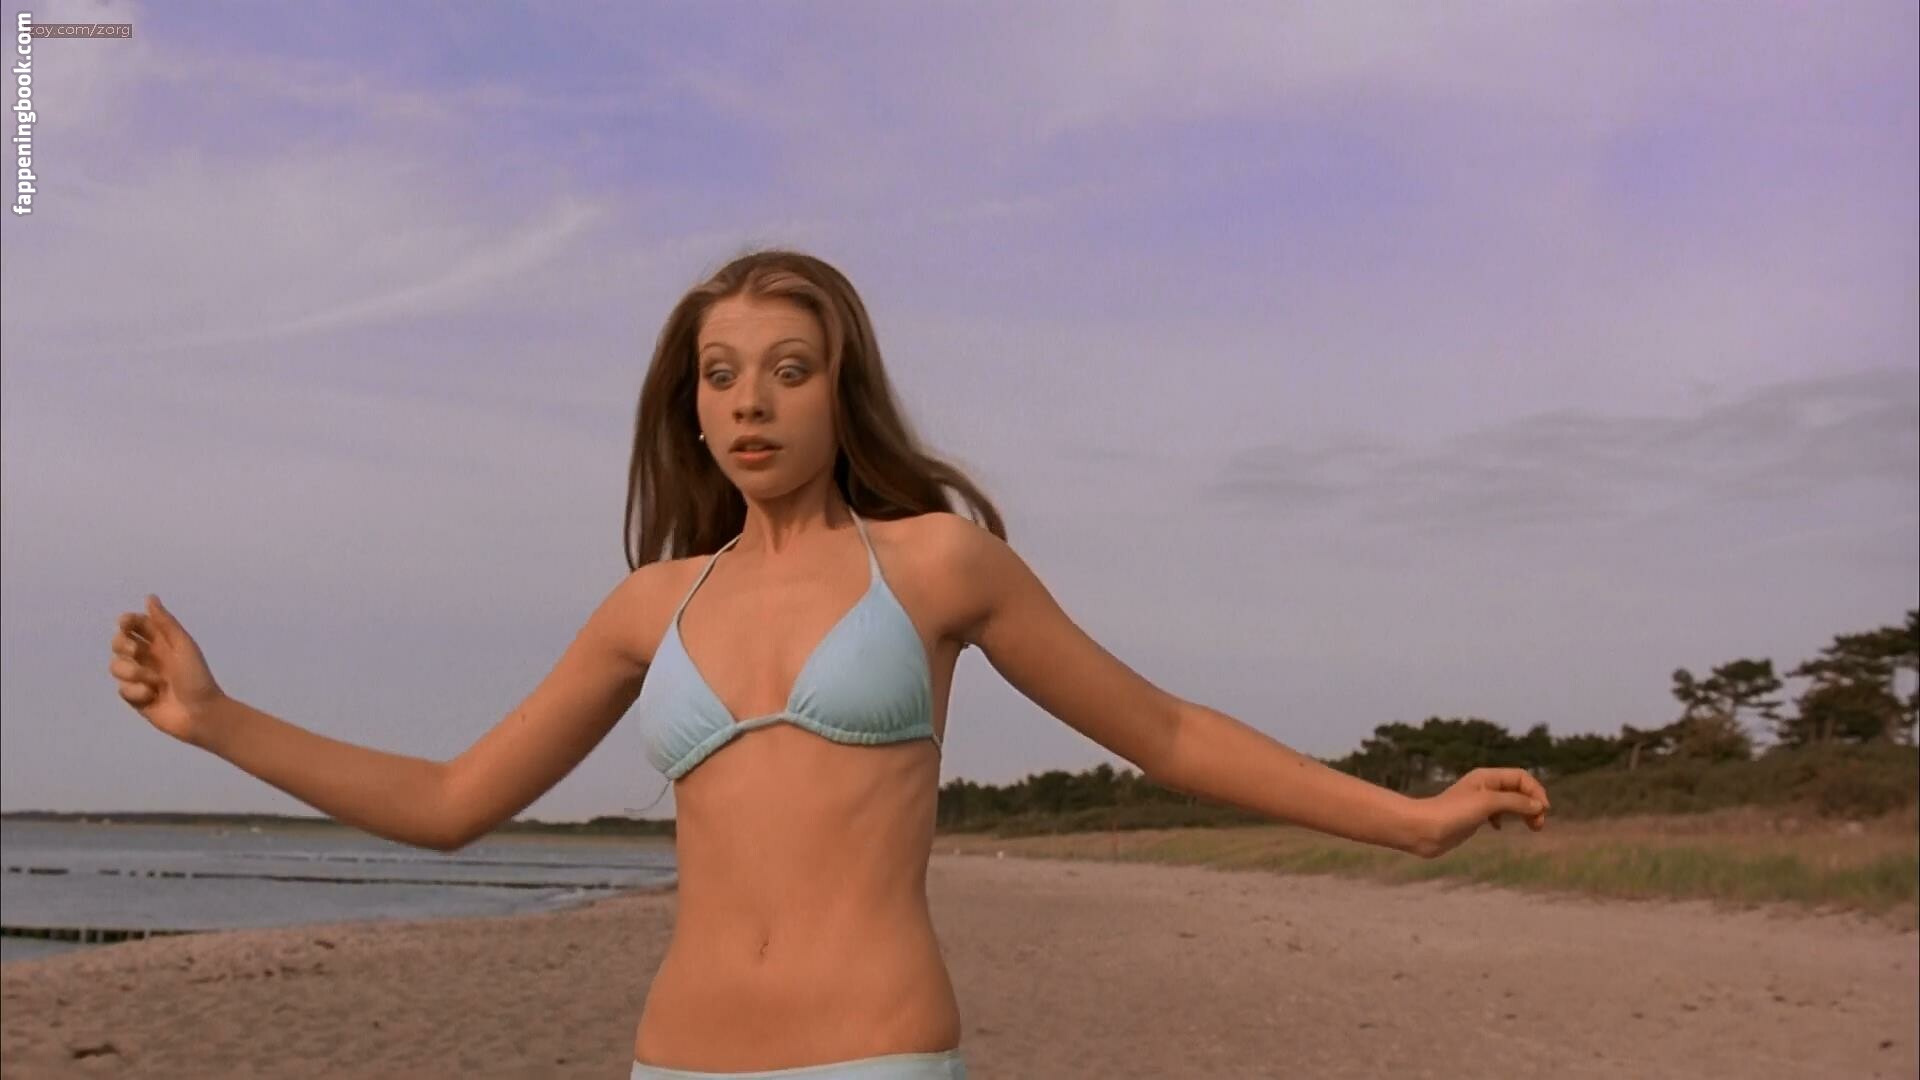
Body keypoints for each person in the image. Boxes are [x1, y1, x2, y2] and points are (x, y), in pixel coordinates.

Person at [108, 248, 1552, 1079]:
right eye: (721, 373)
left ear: (839, 391)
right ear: (692, 407)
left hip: (874, 1051)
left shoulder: (935, 565)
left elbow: (1164, 732)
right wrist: (216, 719)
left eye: (789, 370)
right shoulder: (647, 607)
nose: (752, 400)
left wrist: (1408, 819)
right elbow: (449, 801)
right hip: (679, 1056)